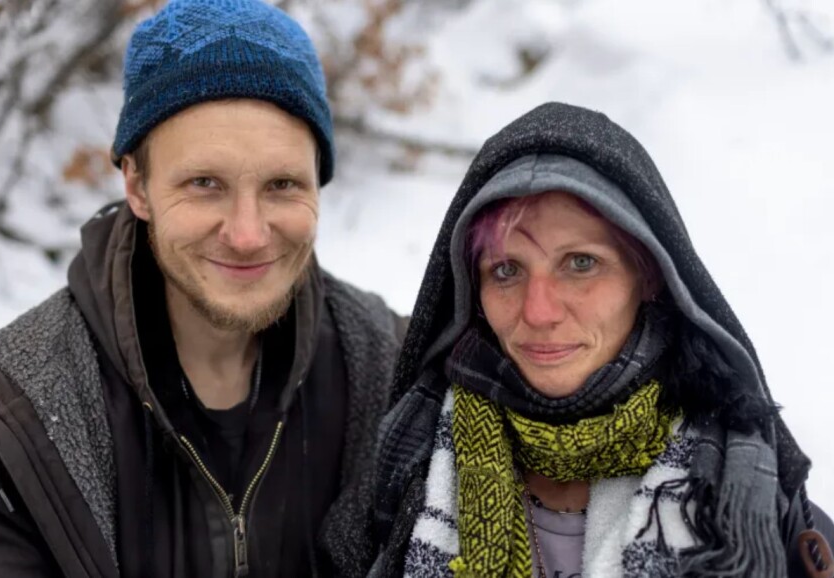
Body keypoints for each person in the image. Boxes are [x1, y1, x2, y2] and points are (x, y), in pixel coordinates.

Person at [0, 0, 405, 576]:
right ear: (137, 185)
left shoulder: (395, 374)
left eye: (282, 184)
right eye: (205, 183)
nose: (247, 234)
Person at [347, 103, 834, 577]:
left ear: (650, 277)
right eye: (506, 270)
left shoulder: (751, 505)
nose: (539, 312)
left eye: (580, 263)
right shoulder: (402, 475)